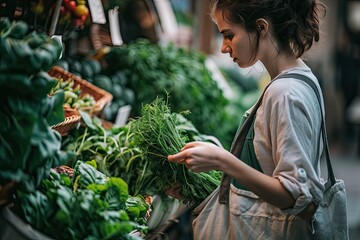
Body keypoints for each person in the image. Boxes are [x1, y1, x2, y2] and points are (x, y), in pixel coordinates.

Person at [167, 0, 327, 238]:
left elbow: (295, 195)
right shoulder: (301, 80)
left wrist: (223, 160)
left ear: (261, 28)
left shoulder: (284, 93)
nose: (223, 47)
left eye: (229, 35)